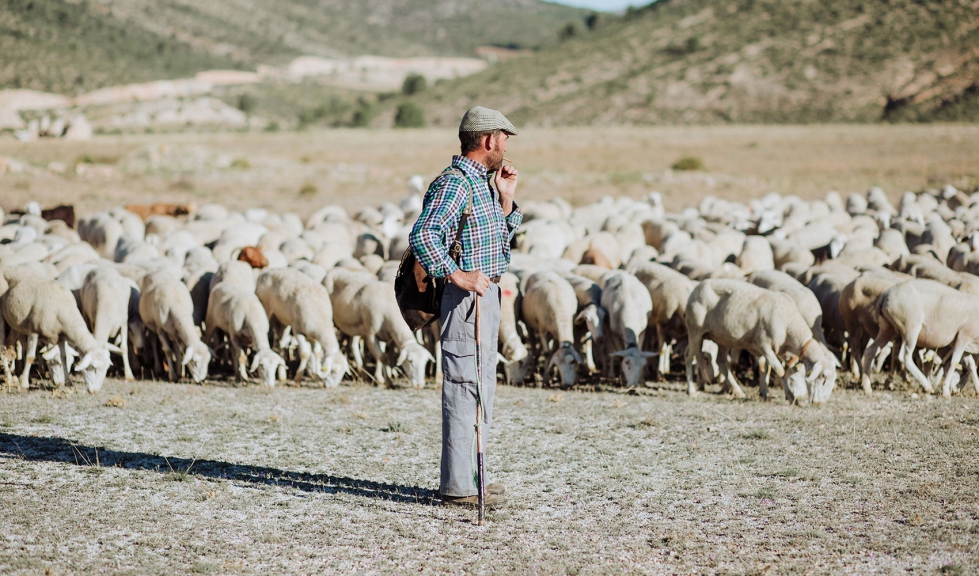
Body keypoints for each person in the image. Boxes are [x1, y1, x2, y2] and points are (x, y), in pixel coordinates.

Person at [408, 106, 522, 508]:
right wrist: (458, 275)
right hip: (467, 301)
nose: (506, 146)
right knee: (463, 385)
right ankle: (458, 487)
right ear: (489, 140)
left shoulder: (484, 184)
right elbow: (423, 234)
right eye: (504, 138)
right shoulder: (455, 184)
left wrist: (506, 201)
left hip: (486, 296)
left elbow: (496, 244)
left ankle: (474, 478)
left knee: (481, 385)